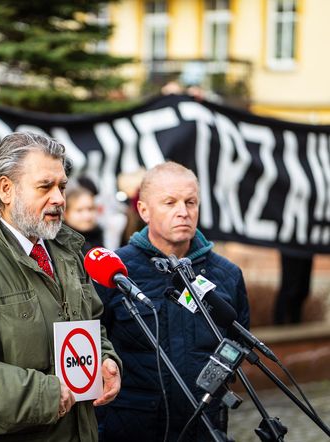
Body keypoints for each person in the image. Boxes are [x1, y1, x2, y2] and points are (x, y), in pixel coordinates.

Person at [0, 132, 122, 441]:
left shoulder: (67, 250)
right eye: (45, 187)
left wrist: (105, 361)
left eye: (62, 186)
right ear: (5, 189)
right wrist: (45, 395)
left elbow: (92, 325)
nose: (58, 198)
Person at [96, 161, 250, 441]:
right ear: (144, 210)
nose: (183, 212)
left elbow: (236, 345)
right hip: (133, 427)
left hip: (204, 425)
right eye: (170, 203)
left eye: (191, 202)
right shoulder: (114, 272)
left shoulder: (227, 275)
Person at [273, 251, 314, 324]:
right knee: (289, 289)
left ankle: (295, 321)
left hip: (306, 250)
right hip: (291, 248)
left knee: (302, 290)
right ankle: (280, 324)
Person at [64, 185, 104, 255]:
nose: (87, 216)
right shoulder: (61, 243)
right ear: (65, 213)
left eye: (90, 209)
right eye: (79, 210)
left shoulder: (97, 235)